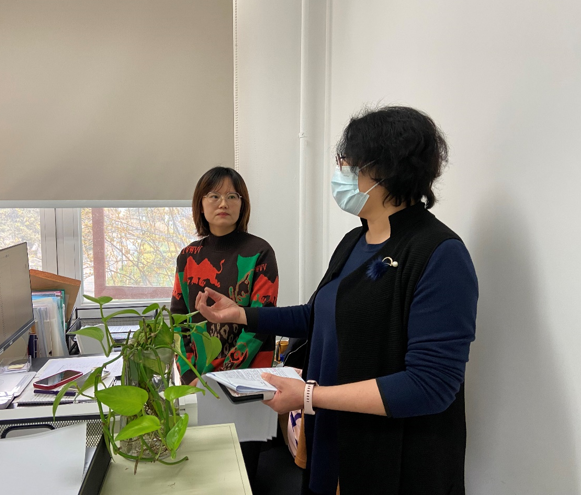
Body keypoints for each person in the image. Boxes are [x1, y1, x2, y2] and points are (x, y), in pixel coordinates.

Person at [195, 106, 479, 494]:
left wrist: (309, 395)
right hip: (332, 433)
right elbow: (317, 316)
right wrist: (241, 314)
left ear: (388, 170)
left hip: (393, 456)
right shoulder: (354, 241)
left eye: (350, 162)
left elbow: (431, 385)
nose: (341, 171)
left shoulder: (439, 253)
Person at [170, 166, 279, 487]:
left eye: (233, 196)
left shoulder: (259, 252)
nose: (223, 203)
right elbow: (178, 320)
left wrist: (222, 375)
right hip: (198, 381)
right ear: (200, 204)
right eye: (214, 195)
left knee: (243, 474)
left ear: (242, 204)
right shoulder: (188, 256)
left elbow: (261, 321)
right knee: (205, 473)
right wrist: (190, 375)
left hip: (246, 381)